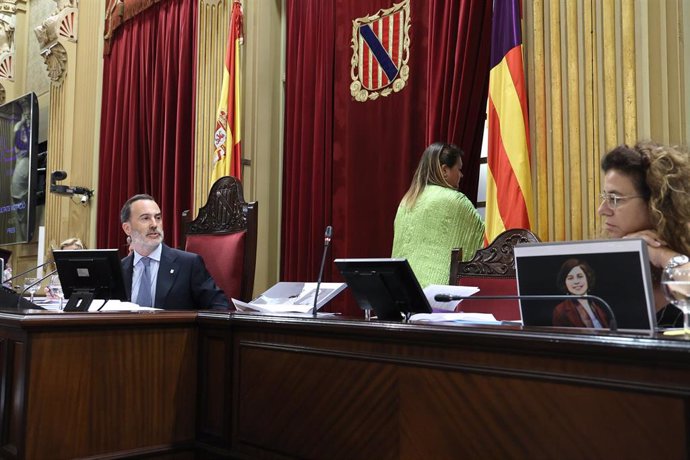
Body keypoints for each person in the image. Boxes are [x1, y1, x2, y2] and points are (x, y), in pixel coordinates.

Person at [598, 141, 690, 327]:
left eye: (615, 199)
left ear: (656, 202)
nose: (602, 210)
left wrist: (661, 254)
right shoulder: (607, 265)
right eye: (605, 198)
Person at [392, 142, 485, 287]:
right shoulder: (456, 200)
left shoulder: (406, 201)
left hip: (402, 291)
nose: (461, 175)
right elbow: (485, 242)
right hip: (438, 296)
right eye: (459, 169)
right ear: (444, 170)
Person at [120, 193, 229, 310]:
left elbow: (219, 307)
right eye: (145, 218)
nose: (154, 224)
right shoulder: (120, 269)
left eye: (158, 218)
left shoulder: (189, 264)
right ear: (127, 228)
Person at [552, 258, 609, 328]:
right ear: (565, 283)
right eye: (570, 278)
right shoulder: (560, 311)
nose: (576, 282)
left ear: (588, 278)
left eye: (580, 276)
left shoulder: (598, 303)